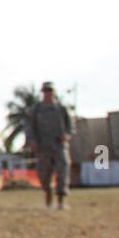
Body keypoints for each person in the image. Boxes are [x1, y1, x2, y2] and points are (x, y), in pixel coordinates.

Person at [26, 81, 73, 209]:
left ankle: (61, 201)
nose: (48, 93)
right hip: (42, 146)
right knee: (44, 174)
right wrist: (32, 141)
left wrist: (67, 135)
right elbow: (30, 127)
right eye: (46, 91)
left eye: (50, 90)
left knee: (63, 171)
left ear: (54, 92)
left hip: (59, 145)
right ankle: (48, 194)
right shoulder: (36, 109)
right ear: (42, 92)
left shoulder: (62, 109)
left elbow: (71, 126)